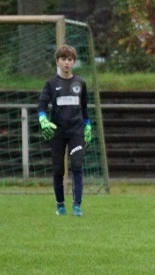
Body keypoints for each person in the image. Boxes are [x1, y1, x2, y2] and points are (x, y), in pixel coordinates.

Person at [37, 44, 91, 217]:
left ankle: (77, 205)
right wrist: (43, 120)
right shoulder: (51, 84)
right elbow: (41, 105)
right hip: (58, 132)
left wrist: (88, 125)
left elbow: (84, 108)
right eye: (63, 59)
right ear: (57, 62)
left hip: (76, 131)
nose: (66, 63)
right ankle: (60, 205)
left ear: (74, 62)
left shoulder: (80, 83)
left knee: (77, 165)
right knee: (58, 169)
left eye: (70, 59)